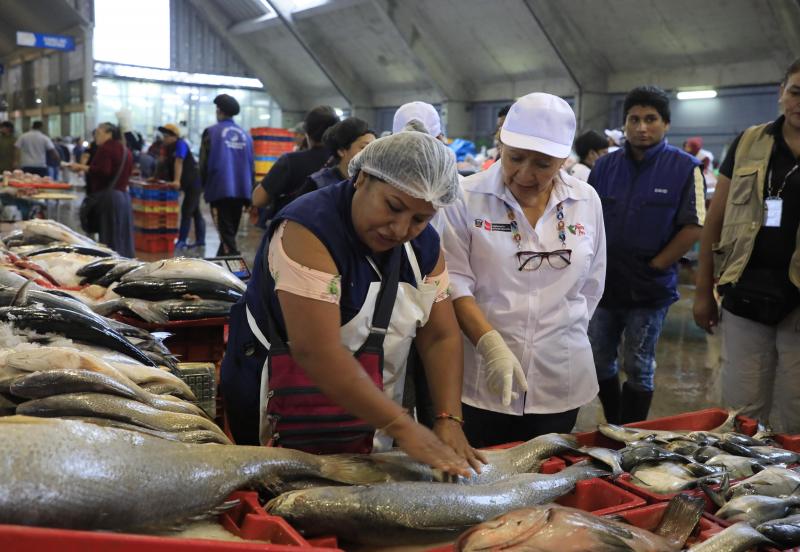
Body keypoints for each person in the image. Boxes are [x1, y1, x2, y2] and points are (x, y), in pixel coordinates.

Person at [220, 130, 484, 477]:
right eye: (393, 207)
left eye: (420, 219)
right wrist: (404, 427)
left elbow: (440, 336)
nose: (401, 228)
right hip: (276, 405)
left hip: (371, 415)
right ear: (361, 178)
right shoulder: (308, 228)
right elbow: (317, 352)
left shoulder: (424, 247)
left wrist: (448, 418)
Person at [440, 93, 606, 447]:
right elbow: (454, 281)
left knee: (545, 478)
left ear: (563, 159)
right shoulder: (465, 197)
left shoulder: (586, 200)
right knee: (481, 478)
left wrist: (557, 333)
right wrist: (491, 344)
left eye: (543, 164)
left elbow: (592, 284)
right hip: (481, 375)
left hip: (560, 375)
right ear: (500, 144)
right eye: (514, 158)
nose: (524, 174)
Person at [694, 58, 800, 432]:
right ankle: (740, 485)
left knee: (794, 413)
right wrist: (703, 292)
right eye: (796, 92)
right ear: (781, 93)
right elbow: (715, 221)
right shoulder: (747, 142)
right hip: (745, 294)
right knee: (741, 413)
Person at [588, 86, 705, 424]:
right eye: (634, 119)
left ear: (666, 124)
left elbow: (694, 226)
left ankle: (633, 434)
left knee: (638, 365)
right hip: (605, 286)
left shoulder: (685, 168)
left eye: (650, 119)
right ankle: (615, 425)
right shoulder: (605, 167)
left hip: (649, 289)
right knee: (597, 360)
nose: (641, 127)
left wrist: (657, 264)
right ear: (624, 123)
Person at [252, 106, 340, 218]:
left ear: (307, 132)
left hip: (294, 226)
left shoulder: (290, 161)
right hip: (335, 229)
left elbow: (258, 199)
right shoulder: (346, 162)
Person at [199, 94, 254, 256]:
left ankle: (240, 275)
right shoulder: (246, 135)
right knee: (228, 236)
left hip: (219, 191)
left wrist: (203, 187)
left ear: (218, 110)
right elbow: (251, 165)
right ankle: (222, 271)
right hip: (242, 191)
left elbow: (203, 163)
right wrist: (250, 194)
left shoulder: (211, 132)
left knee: (228, 241)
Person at [69, 123, 135, 257]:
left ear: (109, 133)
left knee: (109, 236)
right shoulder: (125, 149)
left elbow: (103, 171)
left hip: (109, 198)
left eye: (98, 133)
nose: (95, 136)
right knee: (122, 235)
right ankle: (125, 262)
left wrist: (81, 167)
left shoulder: (106, 148)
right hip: (123, 197)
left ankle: (111, 264)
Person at [158, 123, 205, 251]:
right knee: (195, 212)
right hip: (187, 183)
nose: (164, 138)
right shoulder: (167, 147)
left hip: (194, 182)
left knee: (187, 211)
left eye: (167, 136)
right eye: (164, 135)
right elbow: (162, 164)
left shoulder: (180, 144)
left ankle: (182, 240)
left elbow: (179, 161)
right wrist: (155, 177)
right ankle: (201, 241)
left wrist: (176, 181)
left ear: (174, 136)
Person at [306, 117, 375, 190]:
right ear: (341, 151)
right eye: (364, 147)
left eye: (375, 148)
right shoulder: (318, 183)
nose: (372, 153)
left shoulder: (376, 183)